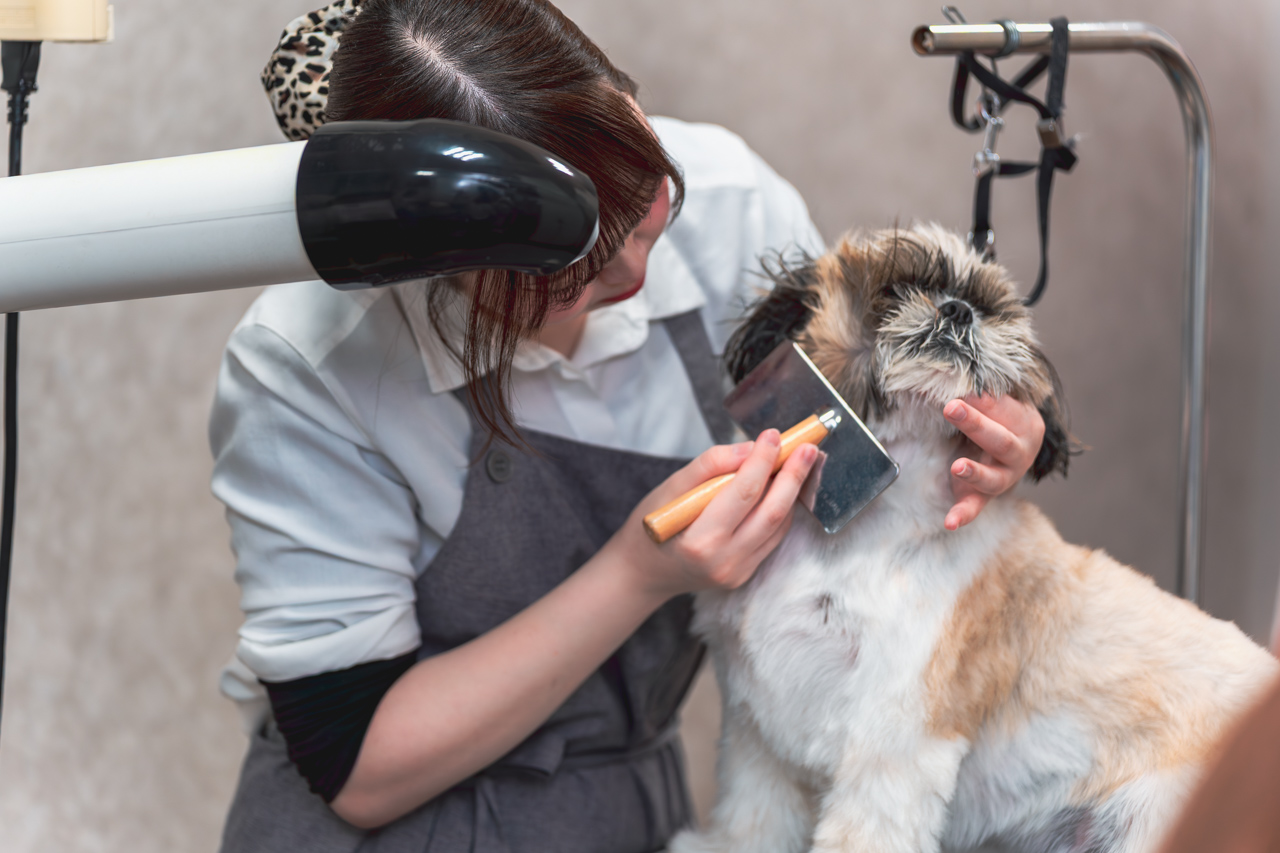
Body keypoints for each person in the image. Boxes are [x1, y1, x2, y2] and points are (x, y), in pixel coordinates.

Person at [210, 0, 1048, 850]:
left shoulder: (729, 205)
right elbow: (358, 767)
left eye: (650, 213)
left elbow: (857, 488)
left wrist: (979, 440)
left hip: (621, 810)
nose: (639, 271)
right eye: (580, 265)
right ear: (445, 268)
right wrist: (636, 574)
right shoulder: (308, 362)